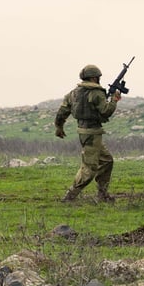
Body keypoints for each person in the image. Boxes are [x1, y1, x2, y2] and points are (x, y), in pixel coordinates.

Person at [54, 64, 122, 202]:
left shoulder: (73, 93)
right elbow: (106, 111)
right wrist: (114, 100)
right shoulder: (96, 93)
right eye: (98, 77)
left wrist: (59, 127)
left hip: (85, 132)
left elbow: (62, 112)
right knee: (89, 169)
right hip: (92, 134)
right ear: (93, 77)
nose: (99, 79)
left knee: (107, 161)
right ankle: (69, 197)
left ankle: (102, 195)